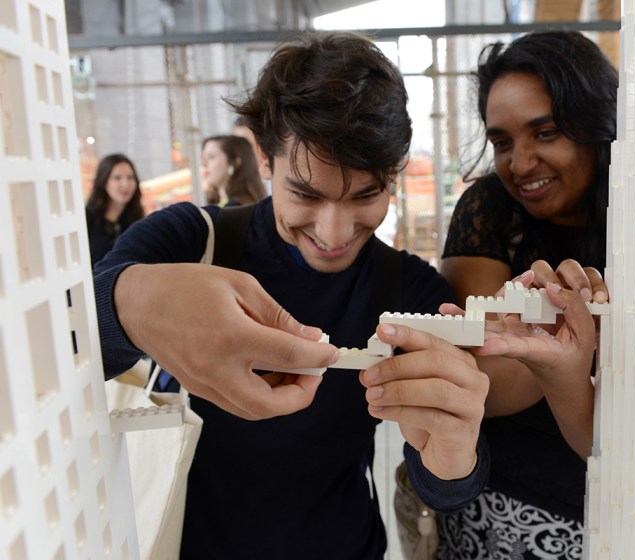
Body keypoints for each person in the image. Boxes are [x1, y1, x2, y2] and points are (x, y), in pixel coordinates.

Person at [94, 31, 491, 559]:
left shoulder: (409, 289)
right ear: (264, 159)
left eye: (366, 195)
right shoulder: (191, 241)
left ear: (393, 175)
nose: (334, 231)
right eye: (306, 193)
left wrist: (453, 454)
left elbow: (446, 488)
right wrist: (133, 300)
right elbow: (65, 339)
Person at [437, 31, 618, 558]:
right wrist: (552, 345)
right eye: (502, 143)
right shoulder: (489, 209)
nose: (519, 163)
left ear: (598, 125)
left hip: (619, 488)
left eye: (546, 132)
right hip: (504, 496)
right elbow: (485, 385)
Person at [85, 153, 145, 265]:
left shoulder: (135, 220)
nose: (125, 184)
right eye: (117, 178)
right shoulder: (87, 218)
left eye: (130, 177)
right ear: (103, 181)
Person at [200, 134, 267, 206]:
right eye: (203, 157)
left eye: (211, 157)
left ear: (234, 163)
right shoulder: (217, 204)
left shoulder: (237, 207)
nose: (203, 164)